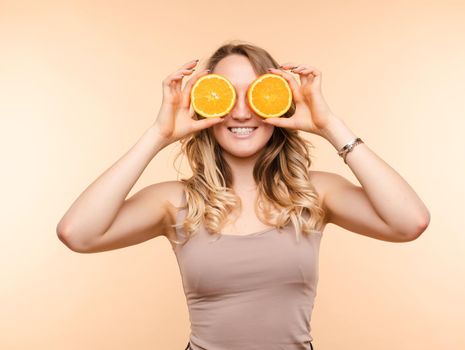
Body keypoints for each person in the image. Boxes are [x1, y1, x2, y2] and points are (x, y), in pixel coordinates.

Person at [57, 41, 430, 350]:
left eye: (255, 95)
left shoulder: (313, 194)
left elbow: (409, 222)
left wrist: (328, 124)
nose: (239, 112)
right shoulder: (176, 203)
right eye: (224, 95)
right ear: (205, 105)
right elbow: (78, 233)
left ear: (278, 101)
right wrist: (159, 134)